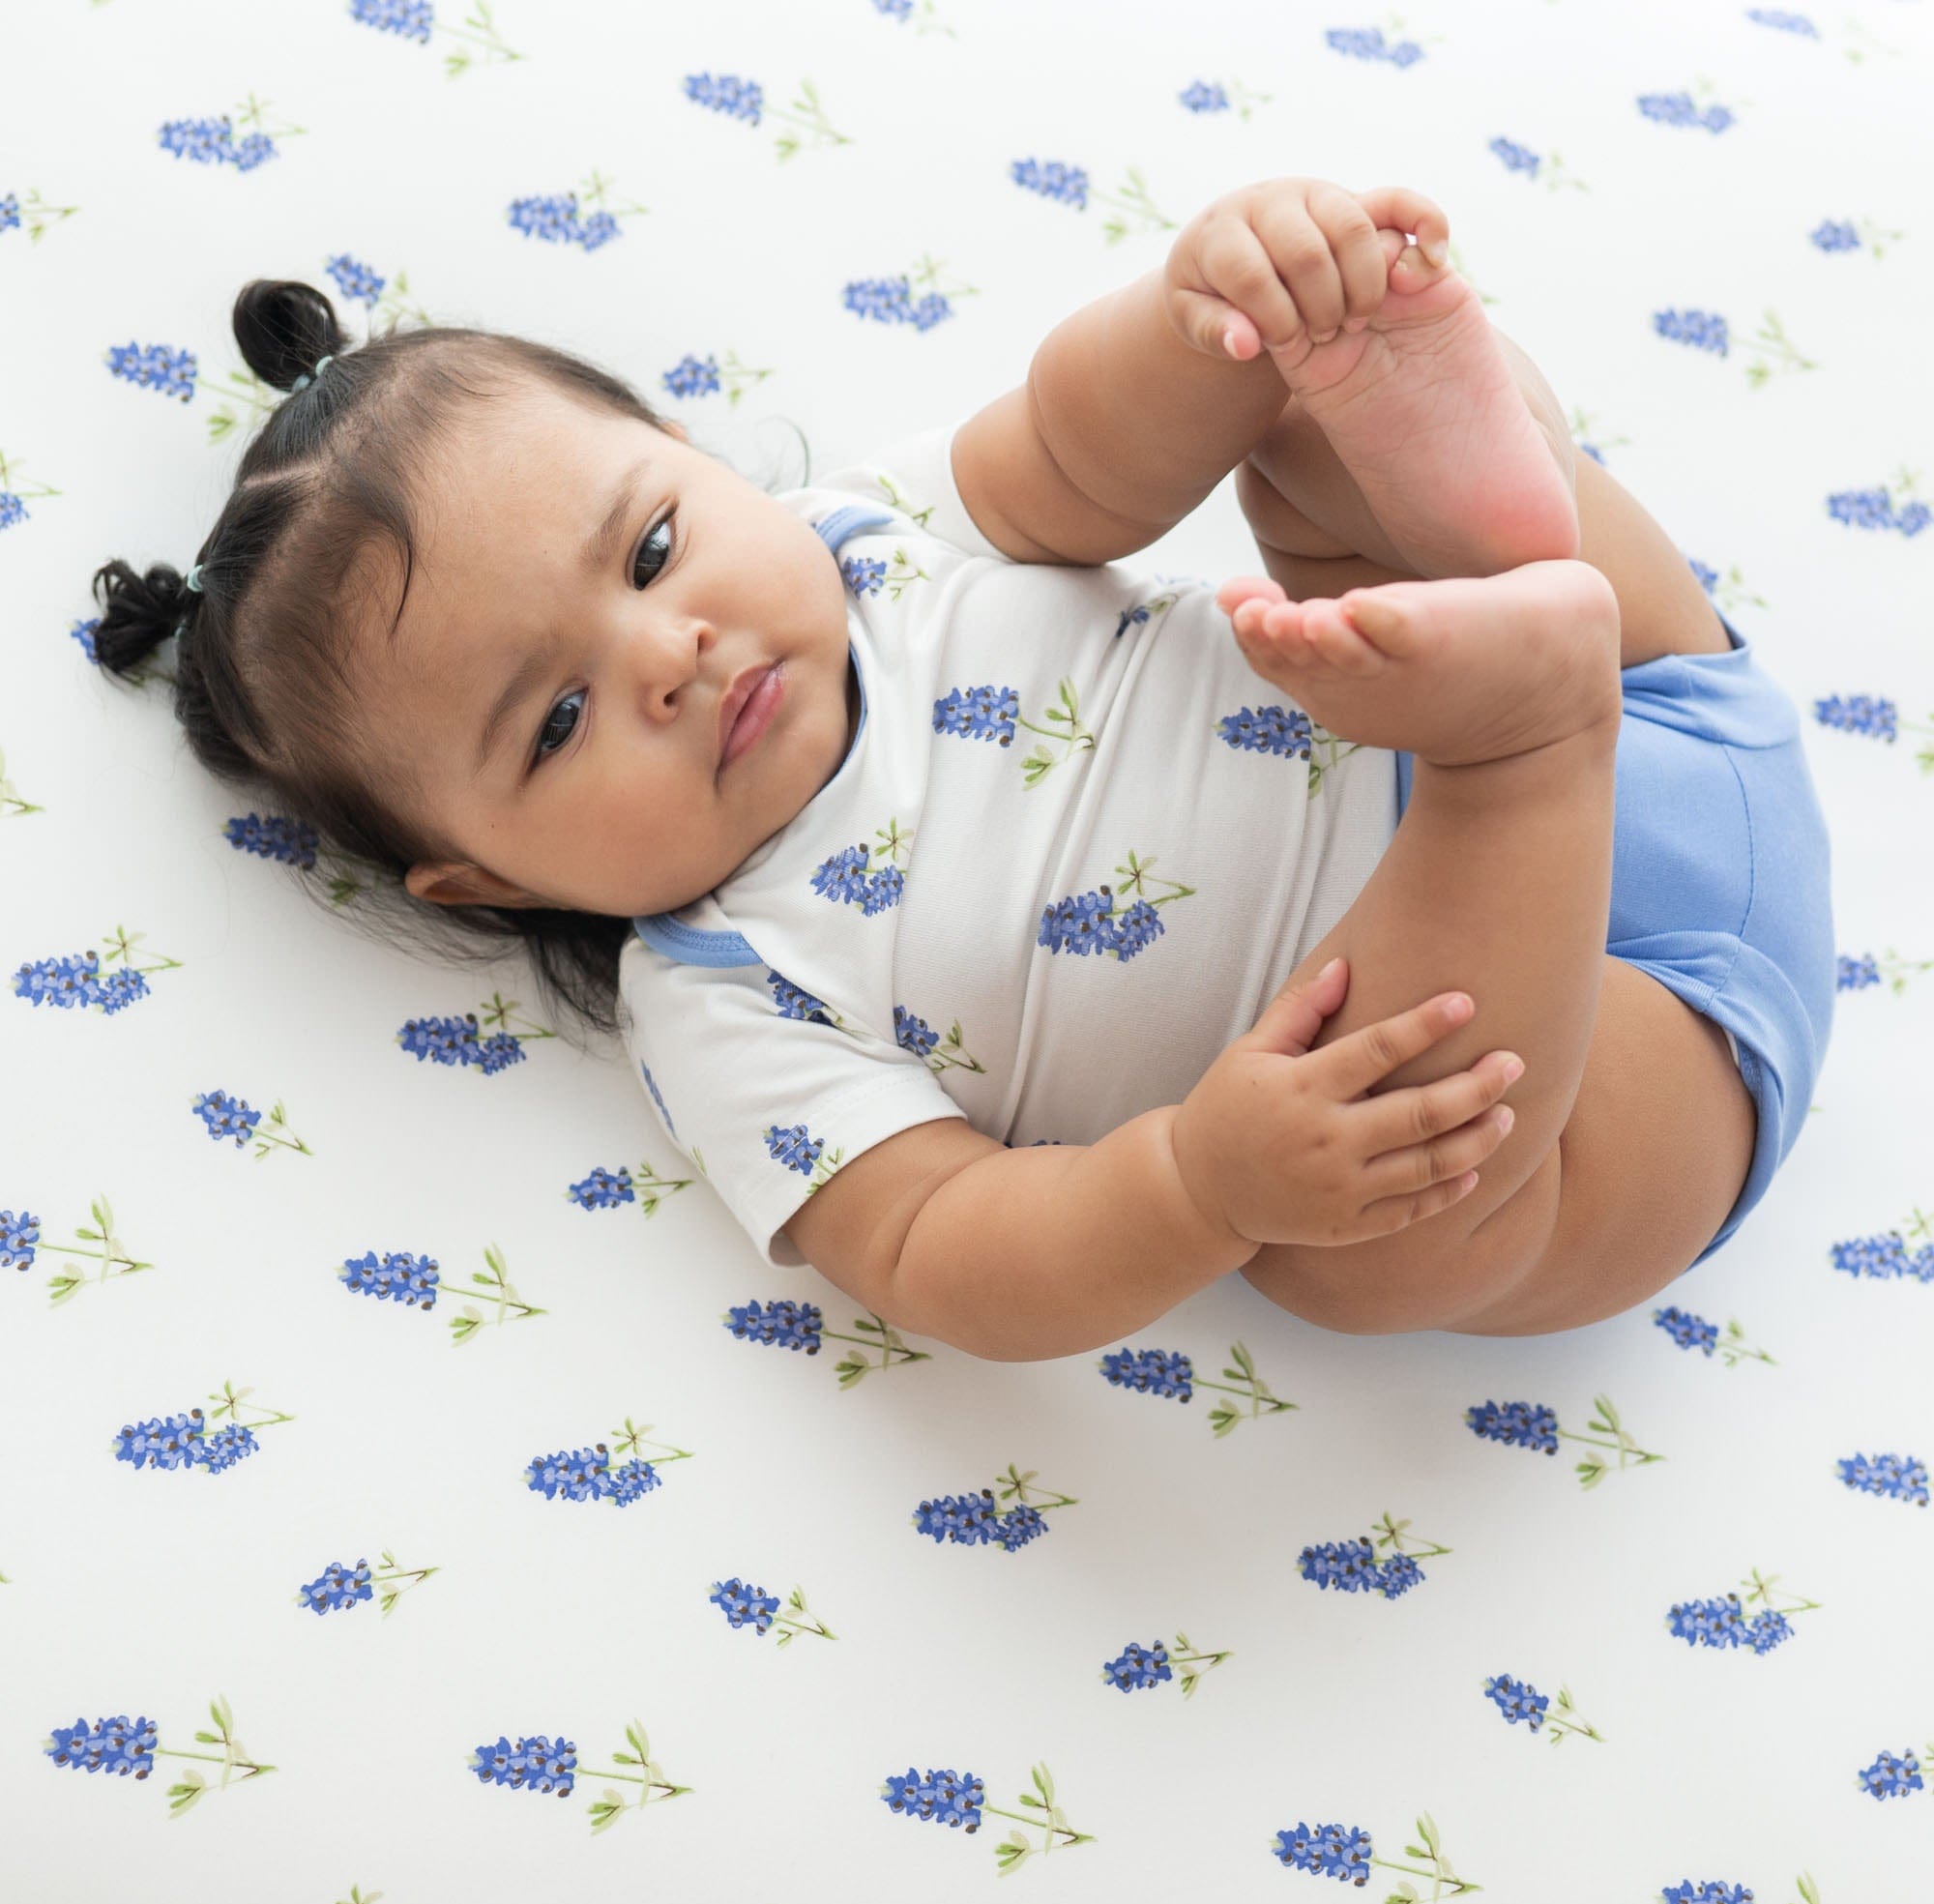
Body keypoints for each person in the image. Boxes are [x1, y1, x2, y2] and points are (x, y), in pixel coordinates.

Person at [87, 180, 1833, 1357]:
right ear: (490, 878)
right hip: (1605, 1077)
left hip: (1663, 686)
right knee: (1357, 1244)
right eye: (552, 726)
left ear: (694, 455)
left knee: (1289, 452)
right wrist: (1200, 1184)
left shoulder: (885, 536)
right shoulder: (724, 998)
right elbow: (942, 1252)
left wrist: (1202, 308)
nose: (670, 660)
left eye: (651, 550)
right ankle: (1518, 737)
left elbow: (1086, 436)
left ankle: (1440, 458)